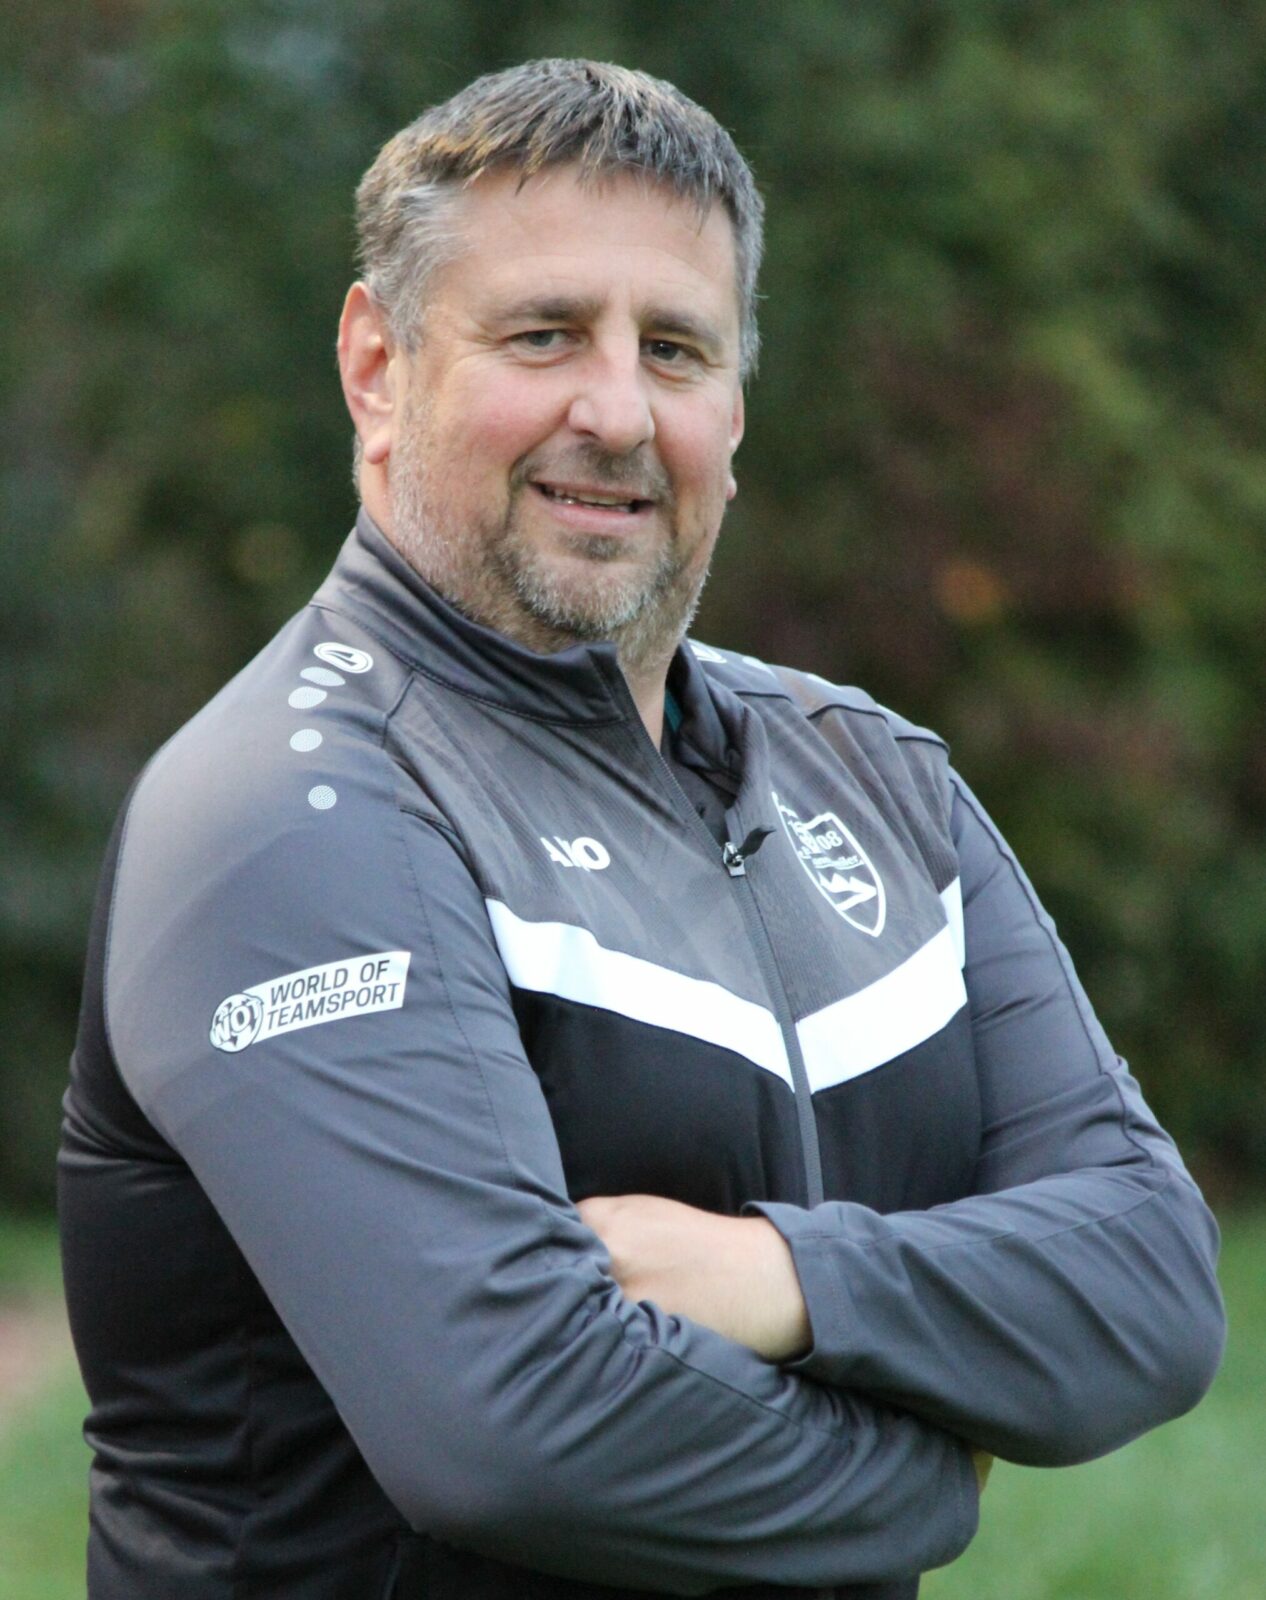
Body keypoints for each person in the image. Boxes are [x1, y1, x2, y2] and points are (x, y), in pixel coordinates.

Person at [58, 58, 1225, 1600]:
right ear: (376, 365)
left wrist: (782, 1278)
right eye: (542, 334)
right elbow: (516, 1428)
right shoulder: (296, 807)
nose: (613, 412)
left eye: (674, 349)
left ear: (732, 409)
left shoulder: (874, 777)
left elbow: (1153, 1283)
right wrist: (932, 1475)